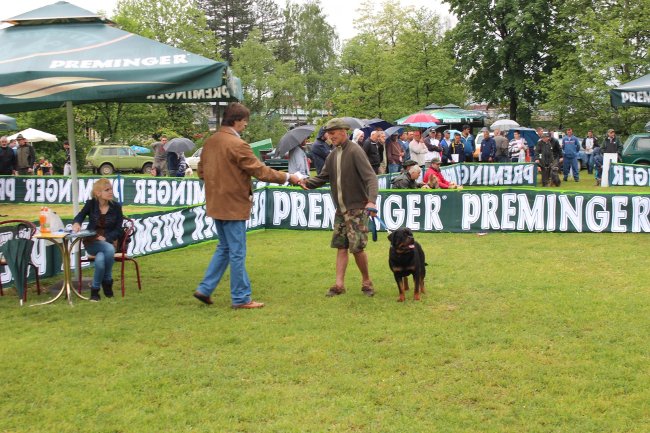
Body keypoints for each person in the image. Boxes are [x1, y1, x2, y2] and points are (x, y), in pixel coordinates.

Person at [193, 102, 300, 309]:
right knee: (237, 252)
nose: (245, 126)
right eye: (244, 122)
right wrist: (289, 177)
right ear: (236, 121)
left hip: (216, 203)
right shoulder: (237, 144)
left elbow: (201, 172)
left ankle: (205, 289)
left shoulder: (210, 142)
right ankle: (241, 298)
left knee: (224, 248)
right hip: (233, 205)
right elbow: (261, 171)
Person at [299, 118, 379, 298]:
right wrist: (304, 183)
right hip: (340, 210)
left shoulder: (355, 150)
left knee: (357, 248)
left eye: (333, 133)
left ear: (343, 131)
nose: (330, 136)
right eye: (328, 133)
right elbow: (322, 177)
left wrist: (372, 201)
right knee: (341, 247)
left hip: (357, 209)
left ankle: (366, 282)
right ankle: (339, 285)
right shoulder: (332, 155)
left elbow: (371, 178)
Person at [72, 178, 124, 302]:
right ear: (98, 193)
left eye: (111, 189)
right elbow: (80, 215)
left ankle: (95, 291)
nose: (111, 192)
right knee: (108, 249)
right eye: (107, 190)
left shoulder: (116, 207)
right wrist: (77, 223)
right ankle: (107, 282)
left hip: (110, 241)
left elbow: (118, 229)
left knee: (101, 259)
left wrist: (106, 238)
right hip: (92, 242)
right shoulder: (91, 204)